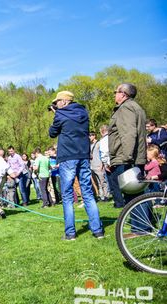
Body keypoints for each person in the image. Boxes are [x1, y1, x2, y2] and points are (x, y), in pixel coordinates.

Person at [49, 90, 104, 240]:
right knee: (87, 193)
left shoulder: (60, 114)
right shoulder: (84, 113)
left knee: (67, 195)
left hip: (68, 157)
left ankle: (70, 233)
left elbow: (52, 133)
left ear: (65, 101)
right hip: (83, 156)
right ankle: (98, 231)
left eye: (57, 101)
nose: (56, 104)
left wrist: (55, 114)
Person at [107, 83, 148, 208]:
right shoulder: (136, 107)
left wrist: (127, 158)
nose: (115, 94)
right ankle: (142, 224)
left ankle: (139, 226)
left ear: (123, 94)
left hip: (126, 158)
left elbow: (128, 134)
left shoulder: (126, 108)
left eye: (116, 92)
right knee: (137, 194)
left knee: (132, 196)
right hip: (133, 157)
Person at [89, 132, 107, 201]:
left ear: (94, 136)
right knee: (97, 182)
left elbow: (102, 153)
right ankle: (100, 195)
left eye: (91, 135)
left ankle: (106, 195)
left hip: (99, 165)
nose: (89, 137)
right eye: (89, 135)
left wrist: (102, 164)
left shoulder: (99, 144)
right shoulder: (89, 145)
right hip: (92, 166)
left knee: (103, 181)